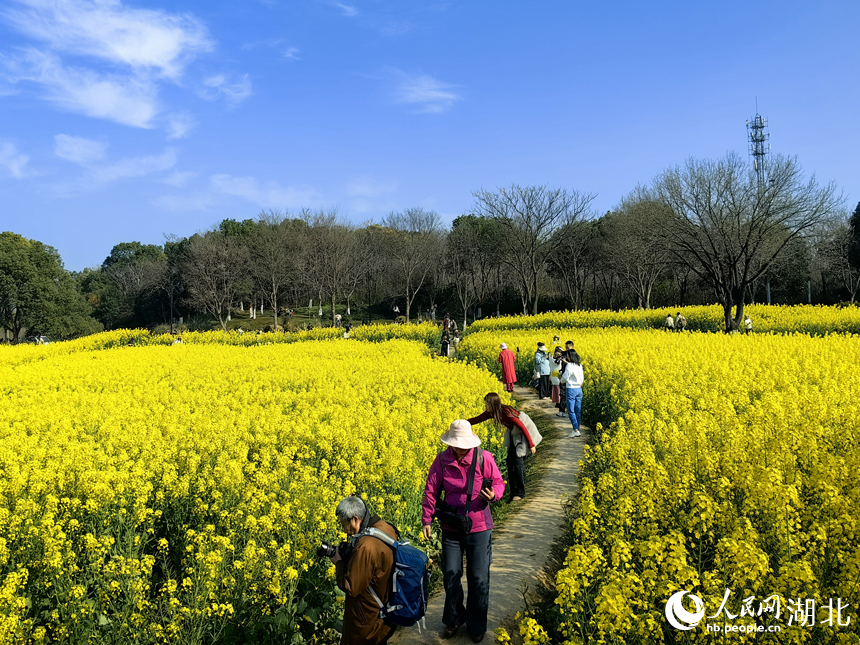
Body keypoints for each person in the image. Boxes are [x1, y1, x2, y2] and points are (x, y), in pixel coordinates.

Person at [422, 420, 505, 643]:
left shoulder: (483, 458)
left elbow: (499, 483)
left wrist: (493, 495)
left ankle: (477, 624)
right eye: (457, 445)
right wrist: (427, 519)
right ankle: (454, 618)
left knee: (478, 578)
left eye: (463, 445)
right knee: (450, 574)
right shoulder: (441, 460)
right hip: (452, 527)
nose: (460, 449)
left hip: (479, 527)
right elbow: (431, 491)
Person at [329, 496, 398, 645]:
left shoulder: (365, 547)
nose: (343, 529)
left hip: (368, 621)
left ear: (355, 519)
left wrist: (339, 562)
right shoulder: (385, 527)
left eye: (343, 523)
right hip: (385, 612)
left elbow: (351, 587)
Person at [468, 392, 535, 503]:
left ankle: (520, 493)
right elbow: (476, 419)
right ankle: (513, 493)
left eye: (487, 404)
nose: (486, 406)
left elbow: (522, 427)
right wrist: (461, 424)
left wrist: (531, 445)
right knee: (510, 462)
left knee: (518, 463)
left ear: (493, 404)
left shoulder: (507, 413)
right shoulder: (491, 413)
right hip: (514, 432)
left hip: (523, 432)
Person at [559, 351, 584, 438]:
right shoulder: (579, 365)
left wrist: (561, 380)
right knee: (578, 410)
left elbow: (565, 377)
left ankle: (575, 430)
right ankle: (577, 429)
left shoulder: (570, 365)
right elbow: (582, 378)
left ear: (570, 356)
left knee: (571, 410)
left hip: (571, 389)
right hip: (579, 389)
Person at [550, 347, 564, 412]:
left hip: (554, 376)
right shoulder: (558, 359)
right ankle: (558, 402)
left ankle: (557, 402)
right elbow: (557, 363)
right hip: (558, 376)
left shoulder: (551, 358)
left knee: (556, 389)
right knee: (558, 390)